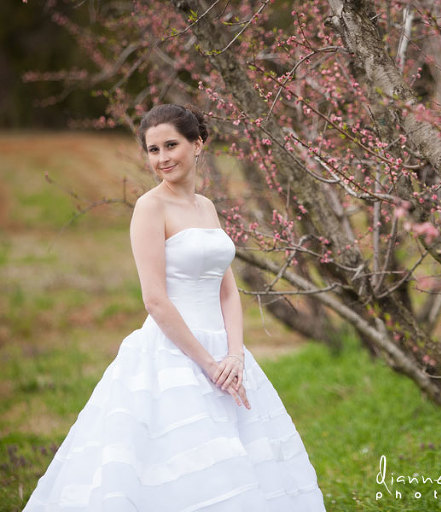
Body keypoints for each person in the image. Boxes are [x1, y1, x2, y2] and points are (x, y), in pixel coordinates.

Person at [23, 104, 327, 511]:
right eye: (153, 150)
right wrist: (207, 363)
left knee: (244, 461)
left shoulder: (207, 208)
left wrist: (234, 355)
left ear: (197, 143)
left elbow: (227, 292)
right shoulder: (150, 208)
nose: (162, 158)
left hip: (226, 352)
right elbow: (155, 299)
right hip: (174, 351)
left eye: (171, 145)